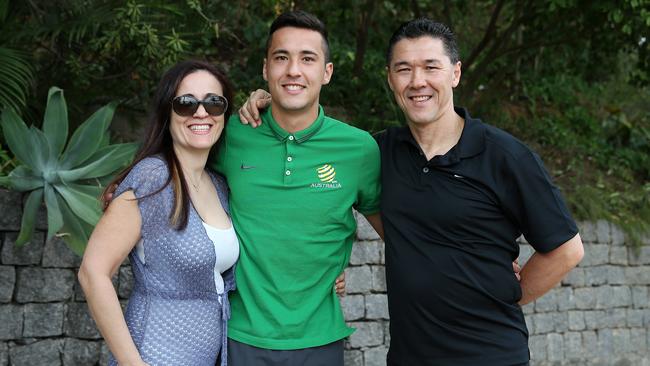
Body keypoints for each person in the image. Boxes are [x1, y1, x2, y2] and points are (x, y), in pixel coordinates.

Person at [240, 17, 584, 366]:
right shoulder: (377, 153)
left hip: (491, 354)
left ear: (455, 73)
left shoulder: (504, 156)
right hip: (409, 356)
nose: (417, 81)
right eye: (404, 69)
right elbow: (318, 197)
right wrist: (269, 100)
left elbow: (566, 251)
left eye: (431, 67)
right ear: (390, 78)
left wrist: (508, 294)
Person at [213, 10, 382, 366]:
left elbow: (402, 236)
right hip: (240, 334)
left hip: (320, 340)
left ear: (327, 72)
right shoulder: (230, 135)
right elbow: (176, 168)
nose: (293, 70)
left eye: (308, 58)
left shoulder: (359, 149)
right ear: (265, 69)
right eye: (281, 58)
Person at [79, 60, 239, 366]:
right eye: (186, 103)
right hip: (154, 355)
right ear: (168, 112)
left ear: (224, 113)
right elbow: (93, 273)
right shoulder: (153, 178)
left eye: (213, 103)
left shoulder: (218, 185)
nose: (201, 112)